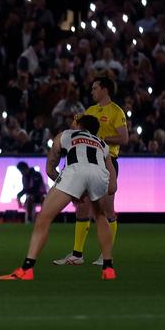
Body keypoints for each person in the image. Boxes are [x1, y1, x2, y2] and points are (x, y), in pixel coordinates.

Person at [1, 115, 117, 281]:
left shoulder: (67, 135)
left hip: (75, 171)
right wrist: (87, 189)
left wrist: (71, 188)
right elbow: (113, 186)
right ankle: (108, 268)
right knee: (100, 216)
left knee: (44, 217)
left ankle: (27, 268)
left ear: (79, 125)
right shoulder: (103, 145)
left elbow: (50, 169)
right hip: (99, 174)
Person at [54, 77, 126, 267]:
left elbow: (124, 138)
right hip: (87, 162)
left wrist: (101, 138)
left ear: (105, 89)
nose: (92, 91)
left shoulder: (116, 112)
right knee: (83, 207)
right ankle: (77, 254)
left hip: (106, 160)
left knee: (107, 210)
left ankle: (105, 255)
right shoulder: (90, 111)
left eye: (95, 88)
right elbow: (77, 132)